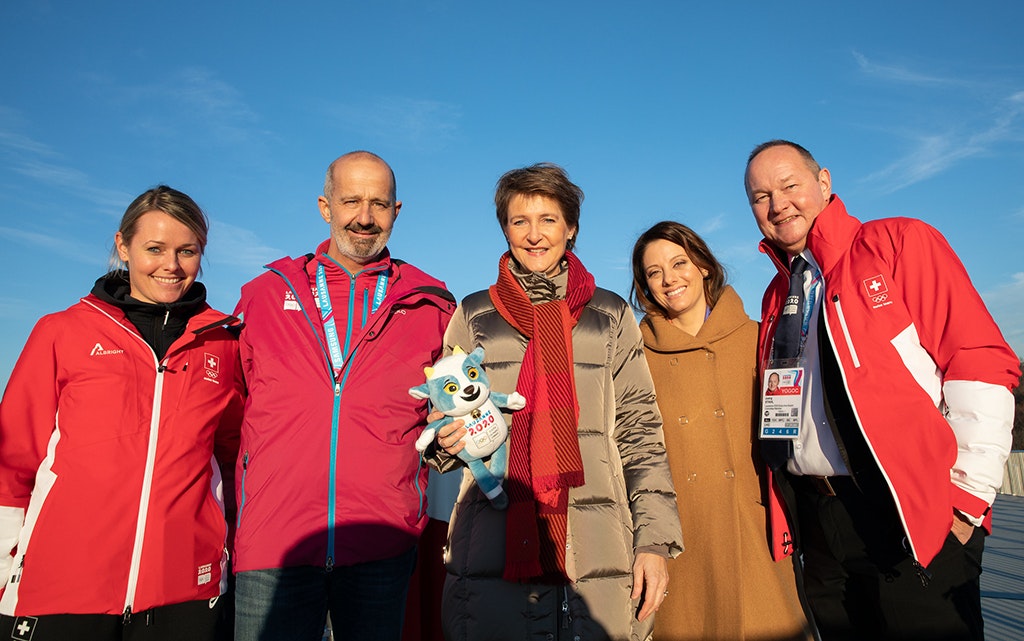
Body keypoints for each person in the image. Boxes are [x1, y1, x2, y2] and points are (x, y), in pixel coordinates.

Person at [744, 139, 1021, 640]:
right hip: (820, 522)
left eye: (789, 186)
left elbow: (978, 362)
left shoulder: (898, 244)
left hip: (908, 513)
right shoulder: (776, 295)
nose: (777, 203)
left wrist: (967, 501)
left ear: (824, 183)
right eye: (761, 196)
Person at [425, 163, 683, 641]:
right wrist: (444, 438)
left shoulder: (608, 314)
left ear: (571, 229)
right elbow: (443, 417)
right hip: (492, 540)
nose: (534, 234)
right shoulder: (474, 314)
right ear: (505, 229)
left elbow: (639, 431)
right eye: (520, 221)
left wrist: (654, 540)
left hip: (601, 537)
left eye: (548, 219)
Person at [0, 186, 244, 641]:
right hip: (62, 594)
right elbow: (12, 460)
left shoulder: (224, 343)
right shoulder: (62, 331)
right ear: (122, 245)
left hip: (186, 598)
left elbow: (233, 460)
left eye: (186, 251)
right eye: (154, 249)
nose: (171, 265)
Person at [231, 151, 455, 641]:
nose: (364, 217)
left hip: (381, 544)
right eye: (351, 200)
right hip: (275, 545)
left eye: (379, 203)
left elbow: (443, 418)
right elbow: (229, 407)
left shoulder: (432, 304)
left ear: (398, 211)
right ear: (324, 206)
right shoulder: (264, 295)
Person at [629, 221, 812, 641]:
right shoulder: (636, 357)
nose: (669, 278)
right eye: (654, 272)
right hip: (678, 539)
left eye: (679, 262)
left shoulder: (757, 338)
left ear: (705, 266)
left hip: (755, 529)